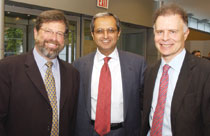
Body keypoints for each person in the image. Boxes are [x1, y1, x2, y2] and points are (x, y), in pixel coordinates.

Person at [0, 10, 79, 136]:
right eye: (48, 31)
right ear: (36, 33)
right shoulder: (7, 68)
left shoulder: (72, 74)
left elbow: (72, 120)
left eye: (59, 33)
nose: (54, 38)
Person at [142, 4, 210, 136]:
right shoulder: (150, 71)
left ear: (185, 34)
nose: (165, 38)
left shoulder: (205, 72)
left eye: (172, 31)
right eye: (160, 32)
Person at [73, 12, 146, 136]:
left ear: (119, 33)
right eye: (100, 31)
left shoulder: (137, 64)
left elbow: (145, 103)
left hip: (125, 132)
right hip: (89, 131)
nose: (105, 36)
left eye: (111, 30)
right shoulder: (79, 65)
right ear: (92, 34)